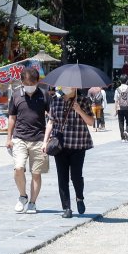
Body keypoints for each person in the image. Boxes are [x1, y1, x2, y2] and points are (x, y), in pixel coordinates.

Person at [43, 86, 94, 218]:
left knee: (76, 176)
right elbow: (51, 122)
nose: (66, 88)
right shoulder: (56, 101)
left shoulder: (83, 101)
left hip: (78, 144)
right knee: (62, 178)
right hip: (60, 145)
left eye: (70, 86)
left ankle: (79, 197)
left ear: (75, 87)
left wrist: (79, 110)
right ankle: (66, 208)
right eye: (63, 85)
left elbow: (91, 122)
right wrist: (45, 141)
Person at [6, 67, 50, 214]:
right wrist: (9, 138)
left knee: (36, 173)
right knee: (18, 168)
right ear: (21, 81)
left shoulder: (44, 94)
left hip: (39, 138)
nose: (29, 85)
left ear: (37, 81)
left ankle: (32, 202)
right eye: (26, 83)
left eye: (32, 82)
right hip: (20, 138)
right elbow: (12, 117)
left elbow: (51, 116)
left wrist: (47, 139)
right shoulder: (17, 95)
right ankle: (23, 195)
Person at [114, 75, 128, 141]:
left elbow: (116, 101)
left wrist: (116, 110)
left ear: (120, 81)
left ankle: (122, 138)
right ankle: (126, 131)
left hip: (120, 108)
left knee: (121, 122)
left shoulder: (117, 90)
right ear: (127, 81)